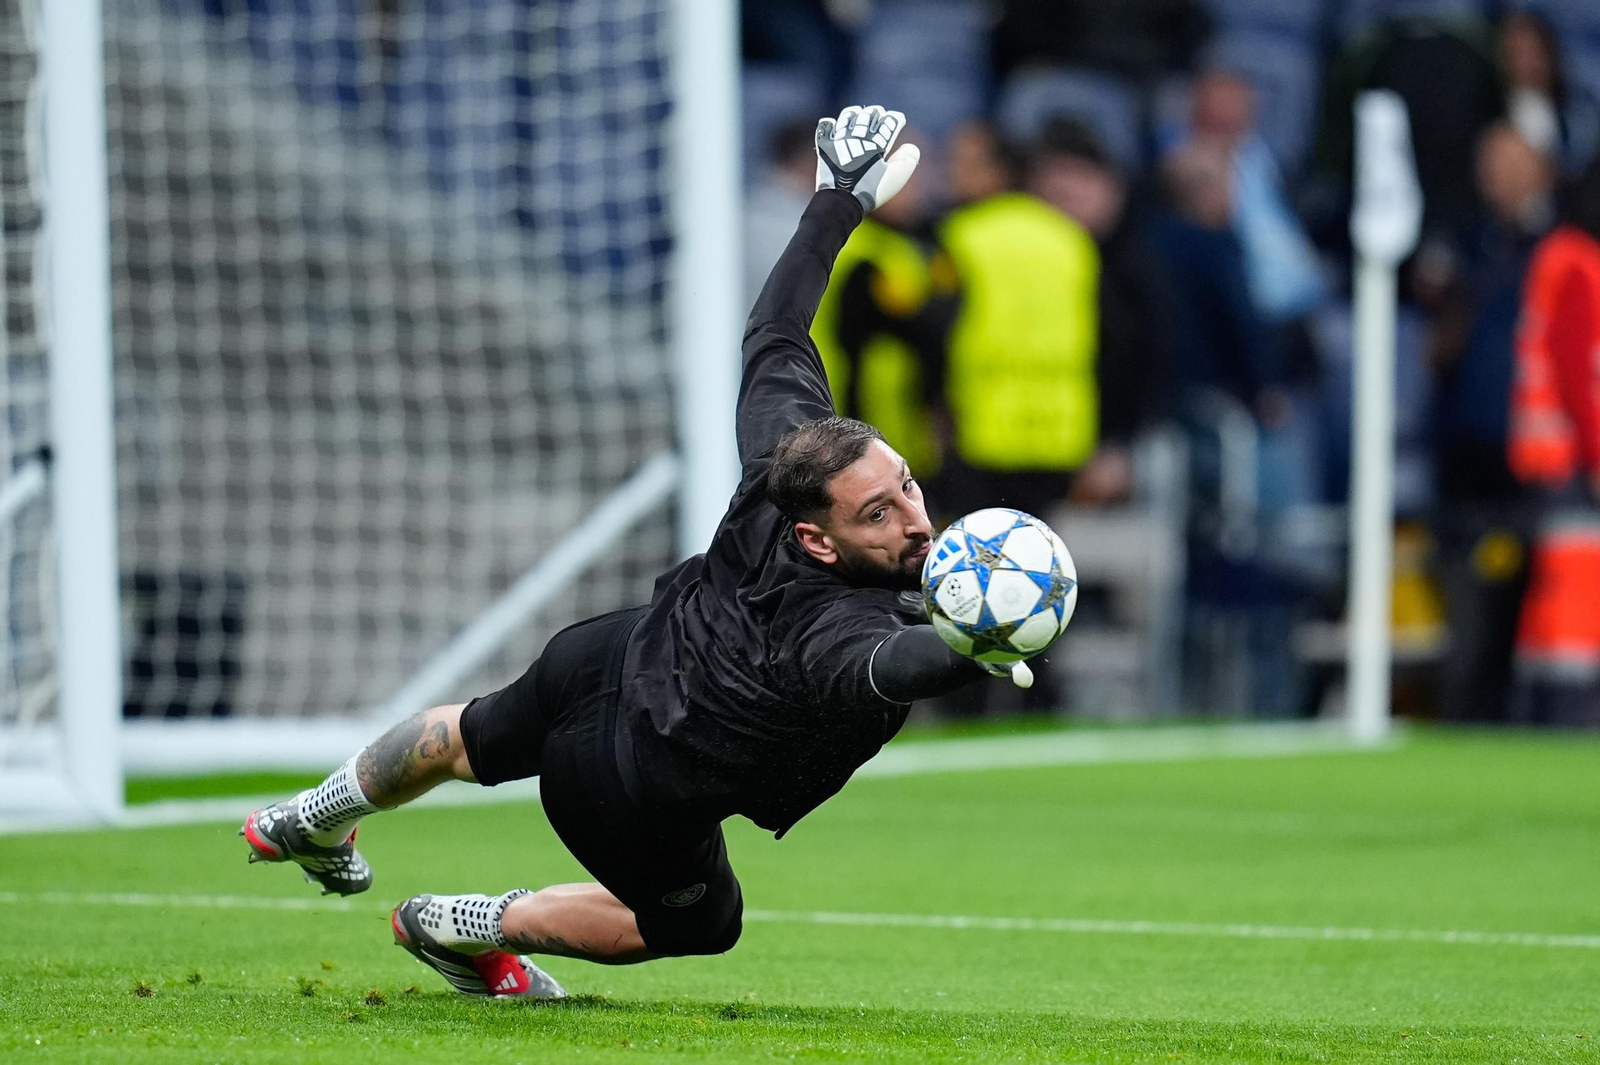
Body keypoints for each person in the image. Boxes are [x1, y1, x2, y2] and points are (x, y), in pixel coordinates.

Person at [239, 106, 1045, 997]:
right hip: (634, 779)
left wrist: (836, 200)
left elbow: (776, 330)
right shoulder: (834, 627)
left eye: (907, 487)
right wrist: (976, 642)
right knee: (699, 924)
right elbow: (892, 666)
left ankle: (309, 814)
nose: (915, 520)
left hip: (602, 657)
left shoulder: (792, 458)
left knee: (465, 736)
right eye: (880, 513)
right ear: (816, 538)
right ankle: (463, 925)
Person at [1505, 158, 1600, 727]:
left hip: (1555, 461)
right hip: (1568, 463)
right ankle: (1565, 721)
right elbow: (1579, 370)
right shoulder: (1577, 263)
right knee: (1571, 606)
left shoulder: (1559, 256)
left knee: (1557, 605)